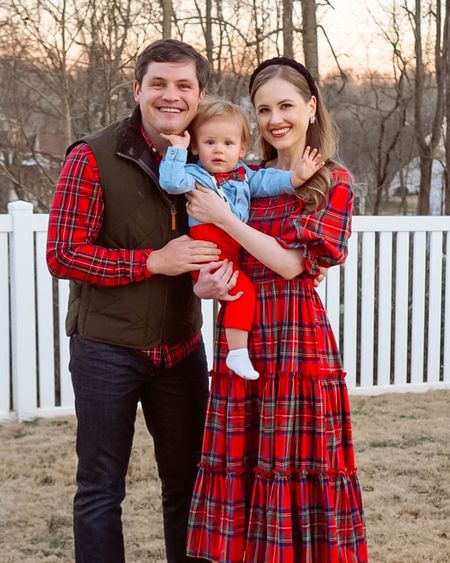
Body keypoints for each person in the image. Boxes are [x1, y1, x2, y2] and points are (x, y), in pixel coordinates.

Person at [46, 39, 240, 563]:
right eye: (158, 83)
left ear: (200, 96)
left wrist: (213, 282)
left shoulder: (216, 157)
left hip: (181, 347)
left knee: (187, 483)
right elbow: (64, 255)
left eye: (184, 85)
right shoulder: (93, 155)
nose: (170, 95)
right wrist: (153, 261)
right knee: (101, 489)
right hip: (106, 347)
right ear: (138, 90)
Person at [184, 57, 368, 562]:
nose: (274, 118)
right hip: (241, 331)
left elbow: (290, 265)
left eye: (286, 105)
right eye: (263, 109)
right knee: (244, 462)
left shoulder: (332, 180)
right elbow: (215, 251)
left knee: (294, 462)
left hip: (294, 337)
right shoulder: (245, 175)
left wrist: (224, 216)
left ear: (311, 107)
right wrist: (206, 286)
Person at [159, 98, 324, 380]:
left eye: (228, 143)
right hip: (210, 247)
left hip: (230, 248)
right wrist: (177, 150)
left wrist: (296, 178)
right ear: (196, 147)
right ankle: (237, 353)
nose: (219, 150)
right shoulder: (195, 174)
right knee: (243, 293)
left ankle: (238, 353)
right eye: (210, 142)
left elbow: (269, 181)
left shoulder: (243, 176)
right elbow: (171, 181)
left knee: (239, 293)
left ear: (242, 149)